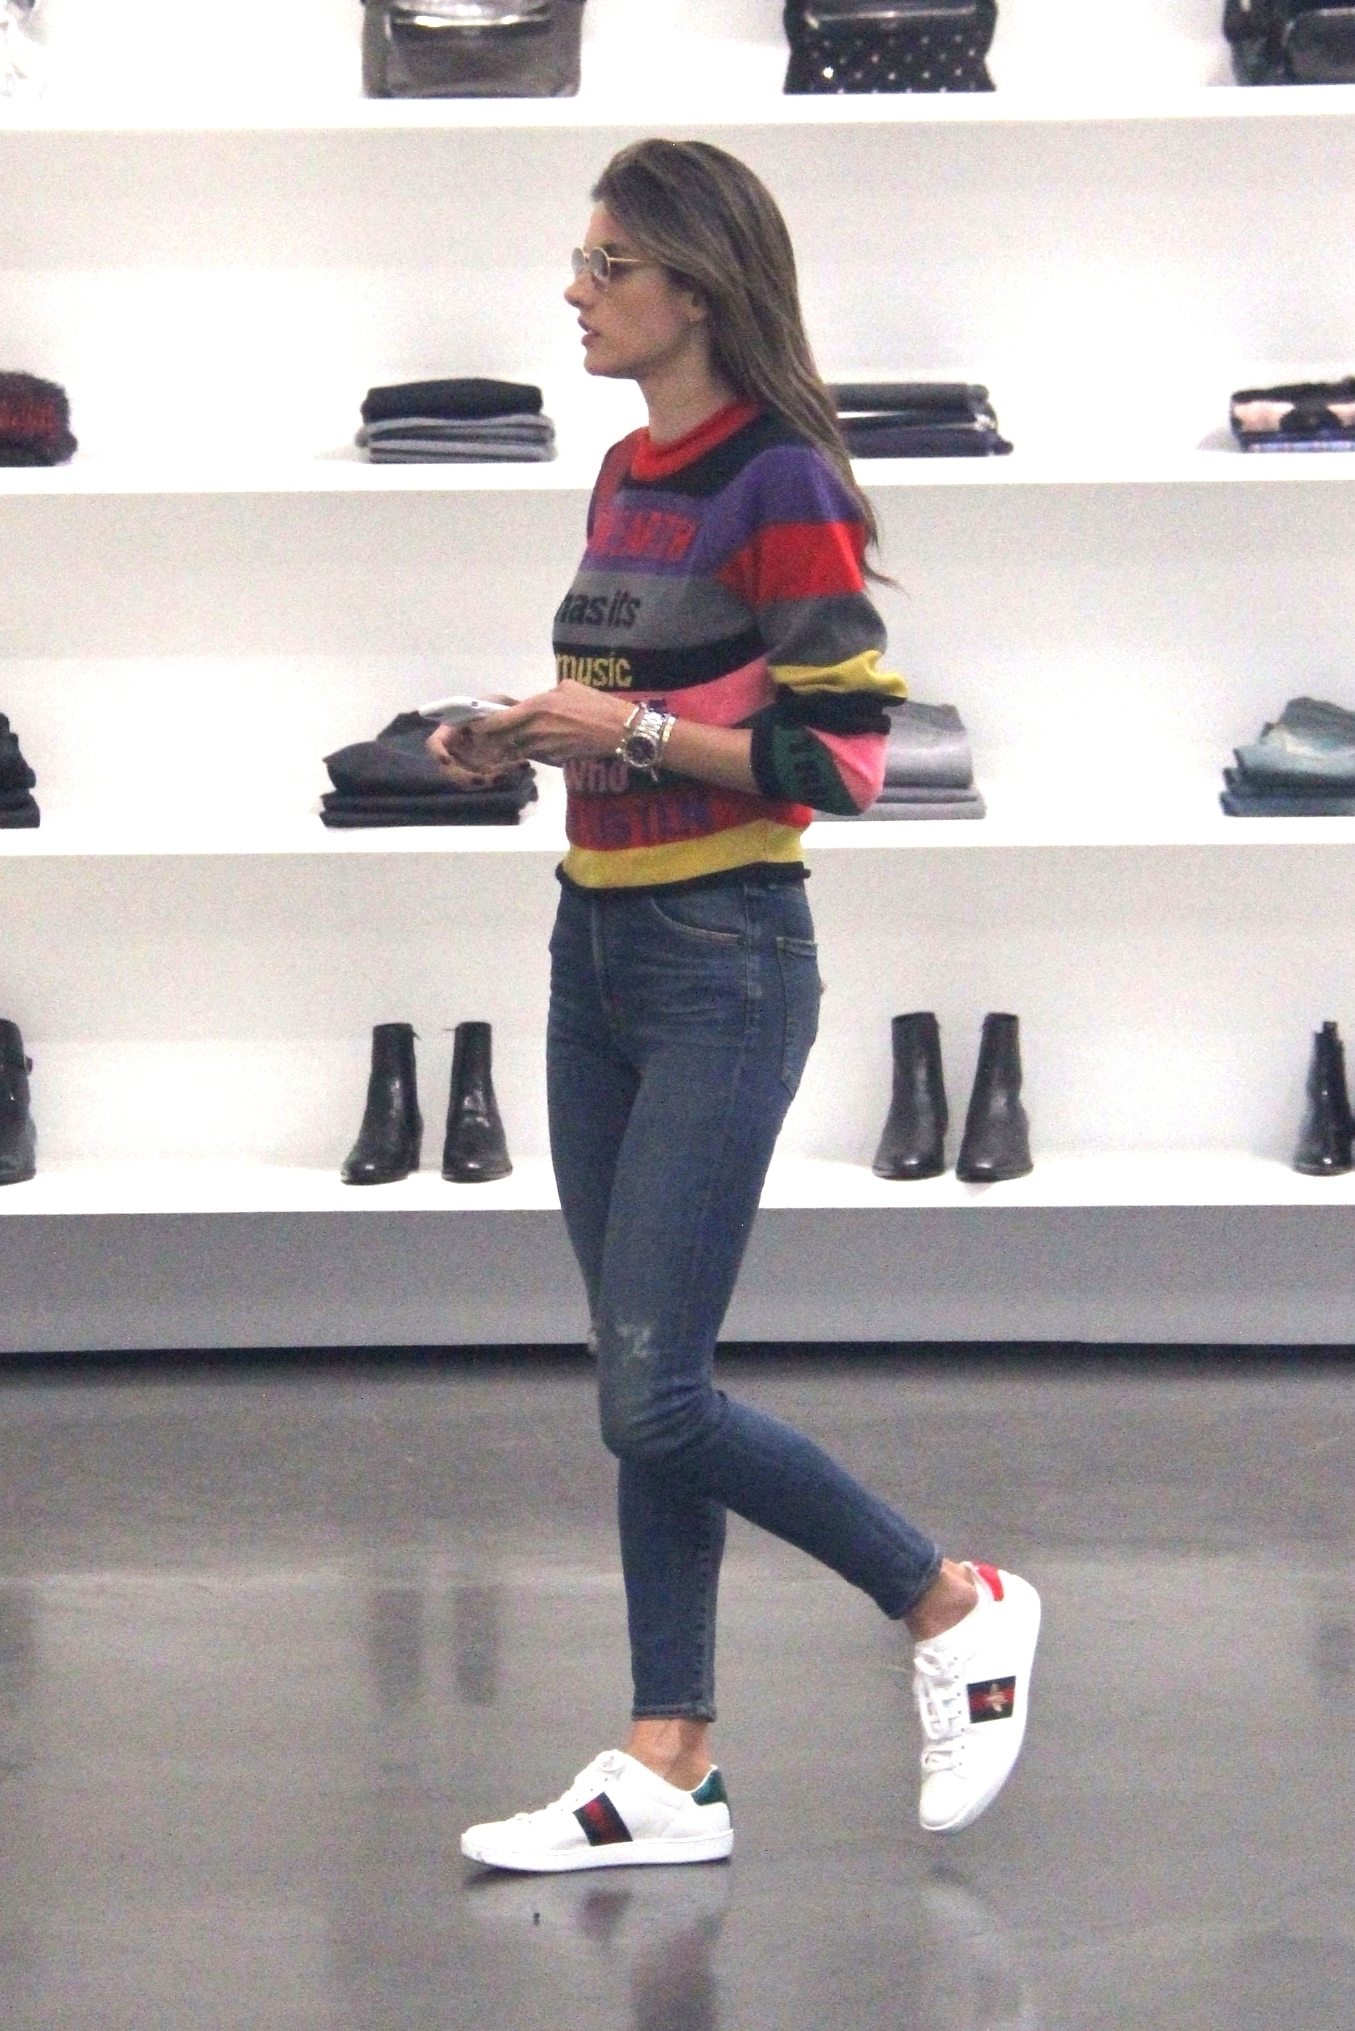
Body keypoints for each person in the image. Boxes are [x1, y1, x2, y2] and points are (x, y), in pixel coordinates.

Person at [430, 139, 1040, 1874]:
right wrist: (518, 737)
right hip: (597, 950)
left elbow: (841, 759)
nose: (574, 289)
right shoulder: (627, 470)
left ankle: (951, 1603)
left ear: (695, 287)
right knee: (651, 1372)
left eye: (606, 263)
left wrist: (618, 731)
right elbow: (650, 705)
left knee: (650, 1397)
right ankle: (669, 1764)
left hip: (724, 957)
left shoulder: (784, 481)